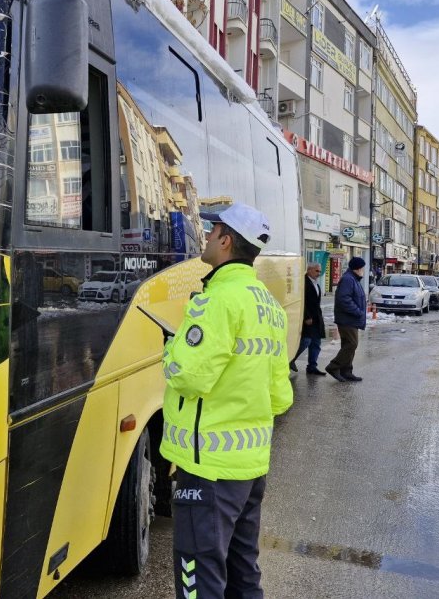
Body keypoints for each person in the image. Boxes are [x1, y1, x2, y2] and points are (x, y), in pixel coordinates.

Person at [161, 202, 293, 599]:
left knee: (198, 575)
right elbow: (279, 396)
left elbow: (188, 374)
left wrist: (171, 348)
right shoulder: (269, 306)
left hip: (208, 469)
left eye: (212, 229)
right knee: (242, 571)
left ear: (226, 240)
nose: (206, 235)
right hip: (249, 467)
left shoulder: (217, 300)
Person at [326, 257, 367, 382]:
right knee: (351, 344)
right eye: (362, 268)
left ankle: (346, 371)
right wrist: (358, 311)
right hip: (348, 318)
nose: (363, 270)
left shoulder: (353, 279)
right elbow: (344, 299)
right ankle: (334, 366)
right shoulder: (348, 279)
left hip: (351, 319)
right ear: (358, 268)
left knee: (349, 344)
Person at [289, 262, 325, 375]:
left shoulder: (316, 284)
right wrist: (306, 316)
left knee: (316, 342)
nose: (319, 273)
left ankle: (312, 366)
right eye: (316, 271)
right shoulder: (303, 283)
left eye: (319, 271)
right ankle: (290, 359)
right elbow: (301, 301)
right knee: (306, 340)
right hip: (307, 319)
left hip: (316, 318)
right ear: (309, 270)